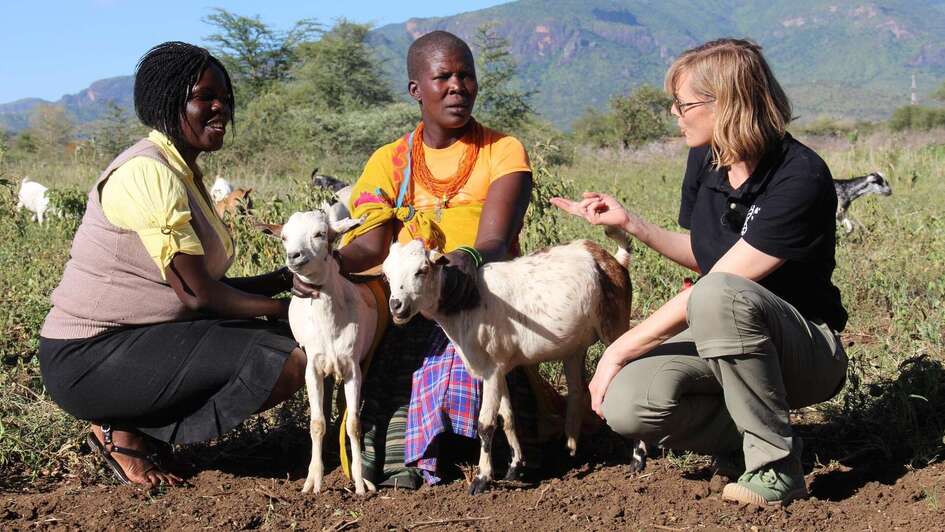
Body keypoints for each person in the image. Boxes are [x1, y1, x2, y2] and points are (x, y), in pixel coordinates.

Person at [552, 38, 848, 506]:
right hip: (725, 329)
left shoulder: (801, 176)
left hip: (804, 350)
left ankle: (775, 466)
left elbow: (722, 283)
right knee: (629, 403)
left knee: (716, 295)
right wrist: (631, 224)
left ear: (728, 103)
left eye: (683, 103)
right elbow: (705, 253)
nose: (675, 113)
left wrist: (617, 351)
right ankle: (747, 438)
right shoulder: (707, 157)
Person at [38, 42, 305, 488]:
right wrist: (291, 309)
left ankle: (138, 426)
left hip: (143, 337)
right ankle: (123, 429)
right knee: (290, 355)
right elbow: (199, 295)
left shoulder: (182, 171)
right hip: (89, 356)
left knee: (285, 340)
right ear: (168, 102)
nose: (221, 107)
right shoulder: (149, 173)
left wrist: (284, 281)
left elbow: (198, 286)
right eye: (205, 97)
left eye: (225, 96)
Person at [292, 30, 535, 488]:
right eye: (443, 76)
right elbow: (371, 247)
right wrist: (321, 268)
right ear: (415, 90)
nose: (457, 86)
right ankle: (408, 451)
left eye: (466, 75)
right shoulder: (389, 162)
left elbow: (495, 243)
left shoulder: (503, 152)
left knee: (461, 363)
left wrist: (457, 266)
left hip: (483, 299)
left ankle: (471, 444)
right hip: (406, 304)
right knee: (388, 390)